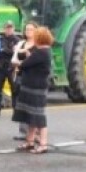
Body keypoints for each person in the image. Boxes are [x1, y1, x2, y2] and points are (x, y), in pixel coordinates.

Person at [11, 26, 54, 154]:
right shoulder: (42, 51)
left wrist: (20, 63)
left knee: (38, 116)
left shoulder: (42, 52)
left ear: (39, 38)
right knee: (31, 116)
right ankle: (29, 142)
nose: (33, 36)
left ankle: (43, 144)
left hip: (36, 88)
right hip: (32, 86)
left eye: (35, 35)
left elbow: (24, 64)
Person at [11, 22, 38, 142]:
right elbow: (14, 60)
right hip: (21, 77)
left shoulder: (38, 46)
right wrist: (19, 63)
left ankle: (35, 133)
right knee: (21, 104)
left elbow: (38, 61)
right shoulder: (21, 44)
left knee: (33, 105)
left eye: (31, 29)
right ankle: (23, 131)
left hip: (33, 78)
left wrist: (27, 58)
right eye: (27, 29)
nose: (28, 31)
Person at [0, 21, 20, 115]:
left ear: (13, 29)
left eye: (10, 28)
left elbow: (16, 52)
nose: (9, 29)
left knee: (14, 89)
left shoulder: (17, 40)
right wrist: (8, 50)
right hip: (0, 67)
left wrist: (5, 50)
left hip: (11, 67)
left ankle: (16, 109)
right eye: (7, 28)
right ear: (4, 29)